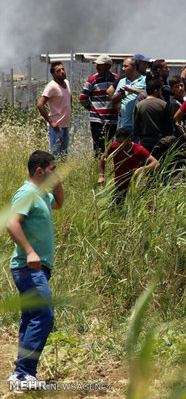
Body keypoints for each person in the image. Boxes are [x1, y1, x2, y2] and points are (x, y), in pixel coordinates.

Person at [6, 151, 64, 392]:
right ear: (39, 171)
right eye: (52, 168)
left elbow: (59, 203)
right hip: (28, 268)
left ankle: (21, 374)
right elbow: (12, 222)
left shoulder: (41, 195)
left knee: (31, 317)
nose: (55, 171)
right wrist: (30, 251)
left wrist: (57, 180)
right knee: (44, 315)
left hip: (37, 268)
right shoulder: (27, 193)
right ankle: (23, 373)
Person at [98, 127, 158, 203]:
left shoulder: (138, 150)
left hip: (134, 185)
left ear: (129, 140)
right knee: (115, 210)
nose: (119, 144)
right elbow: (103, 158)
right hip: (119, 185)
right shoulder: (114, 146)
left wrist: (142, 169)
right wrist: (101, 176)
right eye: (117, 142)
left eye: (121, 142)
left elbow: (156, 163)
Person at [79, 54, 119, 155]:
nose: (97, 67)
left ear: (108, 66)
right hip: (97, 120)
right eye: (97, 65)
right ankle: (98, 167)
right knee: (98, 147)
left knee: (110, 146)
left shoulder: (117, 79)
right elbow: (83, 98)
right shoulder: (93, 80)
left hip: (112, 119)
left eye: (100, 65)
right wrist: (93, 109)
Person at [37, 62, 71, 158]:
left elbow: (69, 98)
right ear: (53, 74)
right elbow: (40, 105)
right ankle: (52, 173)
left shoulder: (67, 83)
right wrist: (51, 122)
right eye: (58, 71)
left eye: (63, 69)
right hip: (56, 127)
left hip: (65, 125)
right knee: (55, 155)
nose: (62, 72)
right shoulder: (52, 86)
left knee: (64, 155)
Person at [133, 79, 173, 153]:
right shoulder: (163, 104)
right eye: (160, 90)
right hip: (161, 141)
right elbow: (168, 125)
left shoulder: (139, 105)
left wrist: (140, 139)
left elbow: (136, 126)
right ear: (156, 91)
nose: (161, 93)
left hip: (145, 141)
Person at [111, 57, 146, 139]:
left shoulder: (144, 80)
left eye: (126, 66)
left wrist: (132, 90)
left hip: (139, 125)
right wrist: (119, 96)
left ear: (134, 68)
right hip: (124, 124)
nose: (123, 69)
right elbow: (113, 100)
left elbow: (149, 95)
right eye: (123, 66)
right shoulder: (122, 81)